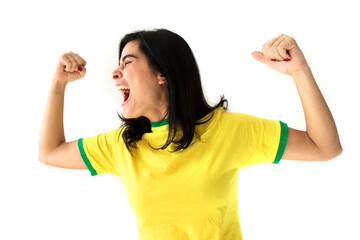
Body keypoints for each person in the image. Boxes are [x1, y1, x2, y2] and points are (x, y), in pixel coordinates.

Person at [39, 29, 342, 240]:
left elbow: (324, 147)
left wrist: (299, 71)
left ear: (163, 74)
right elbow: (49, 153)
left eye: (127, 63)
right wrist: (57, 84)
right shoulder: (121, 146)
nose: (115, 73)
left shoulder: (227, 130)